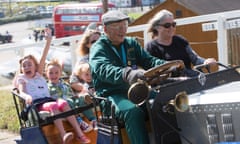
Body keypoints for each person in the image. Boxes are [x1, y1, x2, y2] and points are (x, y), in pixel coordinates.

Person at [89, 10, 167, 144]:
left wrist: (166, 65)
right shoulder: (98, 48)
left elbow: (148, 61)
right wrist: (127, 73)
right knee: (132, 112)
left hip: (136, 91)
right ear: (106, 29)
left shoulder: (131, 43)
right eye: (117, 26)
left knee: (163, 100)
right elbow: (103, 69)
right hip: (111, 96)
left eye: (125, 25)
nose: (123, 30)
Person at [13, 28, 91, 144]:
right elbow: (22, 91)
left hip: (48, 100)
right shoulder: (23, 79)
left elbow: (44, 56)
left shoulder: (38, 75)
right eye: (24, 66)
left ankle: (80, 134)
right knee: (54, 104)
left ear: (35, 66)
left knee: (63, 103)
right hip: (37, 103)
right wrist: (26, 97)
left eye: (29, 65)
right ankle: (63, 134)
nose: (27, 68)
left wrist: (49, 40)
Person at [145, 9, 217, 77]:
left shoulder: (180, 40)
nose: (171, 28)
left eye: (173, 24)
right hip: (169, 85)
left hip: (189, 80)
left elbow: (195, 59)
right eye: (167, 25)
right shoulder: (151, 47)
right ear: (157, 27)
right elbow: (153, 74)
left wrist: (206, 61)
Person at [45, 59, 97, 132]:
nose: (54, 75)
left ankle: (93, 120)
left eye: (56, 73)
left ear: (60, 73)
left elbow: (71, 92)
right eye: (51, 73)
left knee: (82, 98)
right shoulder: (46, 87)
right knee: (68, 102)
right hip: (62, 104)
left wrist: (77, 96)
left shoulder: (65, 83)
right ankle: (80, 122)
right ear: (46, 74)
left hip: (72, 100)